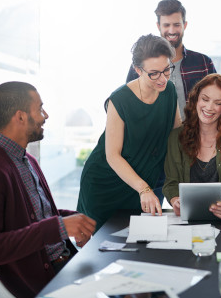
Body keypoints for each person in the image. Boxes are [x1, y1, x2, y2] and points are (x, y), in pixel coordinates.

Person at [0, 82, 96, 298]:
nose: (46, 115)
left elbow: (35, 217)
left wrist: (76, 220)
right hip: (44, 284)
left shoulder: (28, 160)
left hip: (66, 266)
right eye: (40, 109)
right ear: (21, 117)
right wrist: (59, 227)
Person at [77, 34, 182, 231]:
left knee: (143, 244)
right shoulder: (119, 100)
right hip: (107, 184)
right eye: (154, 73)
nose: (162, 78)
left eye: (167, 69)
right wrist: (143, 189)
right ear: (137, 70)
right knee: (105, 250)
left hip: (146, 181)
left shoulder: (169, 91)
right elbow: (113, 155)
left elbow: (177, 135)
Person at [126, 0, 217, 203]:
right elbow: (129, 109)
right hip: (154, 153)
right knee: (152, 213)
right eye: (166, 25)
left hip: (194, 150)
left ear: (184, 25)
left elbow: (219, 105)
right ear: (158, 27)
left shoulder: (203, 63)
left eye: (176, 24)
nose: (171, 30)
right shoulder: (138, 68)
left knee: (195, 212)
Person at [163, 74, 221, 221]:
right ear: (196, 99)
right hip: (184, 220)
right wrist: (175, 199)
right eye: (205, 99)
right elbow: (171, 183)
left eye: (218, 103)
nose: (209, 107)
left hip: (220, 221)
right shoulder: (176, 137)